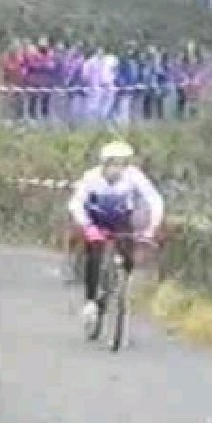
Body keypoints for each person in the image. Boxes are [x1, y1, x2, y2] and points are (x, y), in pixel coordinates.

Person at [67, 140, 164, 341]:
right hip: (96, 219)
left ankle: (121, 287)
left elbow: (154, 200)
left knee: (128, 252)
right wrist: (87, 226)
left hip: (121, 220)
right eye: (113, 163)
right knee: (94, 253)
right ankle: (91, 300)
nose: (117, 169)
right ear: (104, 163)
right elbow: (76, 203)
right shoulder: (91, 177)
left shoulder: (134, 176)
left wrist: (151, 228)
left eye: (122, 164)